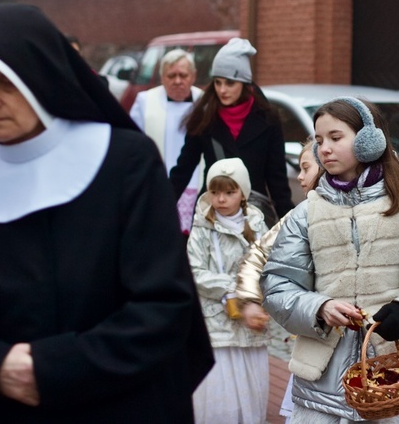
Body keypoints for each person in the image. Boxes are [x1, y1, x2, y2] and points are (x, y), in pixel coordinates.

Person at [0, 3, 213, 423]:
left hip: (116, 406)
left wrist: (52, 367)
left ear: (40, 77)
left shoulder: (124, 163)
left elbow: (163, 307)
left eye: (5, 83)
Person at [261, 97, 399, 422]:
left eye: (336, 138)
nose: (324, 148)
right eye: (320, 140)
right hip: (322, 382)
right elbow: (277, 286)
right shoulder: (304, 215)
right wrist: (319, 308)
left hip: (392, 378)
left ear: (369, 141)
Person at [234, 137, 319, 423]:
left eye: (306, 168)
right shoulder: (299, 216)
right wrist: (249, 298)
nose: (299, 176)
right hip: (316, 337)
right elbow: (258, 252)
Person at [169, 38, 294, 227]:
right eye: (217, 82)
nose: (222, 90)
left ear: (244, 83)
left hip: (253, 217)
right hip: (212, 215)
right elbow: (183, 169)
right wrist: (160, 206)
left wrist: (292, 223)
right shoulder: (205, 117)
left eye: (229, 83)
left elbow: (277, 180)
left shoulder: (268, 119)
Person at [187, 157, 270, 423]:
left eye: (229, 192)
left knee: (250, 391)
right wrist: (229, 289)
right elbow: (194, 270)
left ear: (242, 194)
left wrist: (250, 296)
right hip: (216, 326)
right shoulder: (201, 227)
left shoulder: (257, 226)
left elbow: (269, 266)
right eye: (215, 192)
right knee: (218, 394)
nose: (221, 199)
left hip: (250, 323)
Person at [130, 49, 204, 234]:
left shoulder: (205, 102)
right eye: (171, 75)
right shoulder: (145, 102)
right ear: (162, 77)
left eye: (183, 75)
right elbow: (133, 142)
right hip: (158, 183)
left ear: (193, 76)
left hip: (198, 184)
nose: (177, 81)